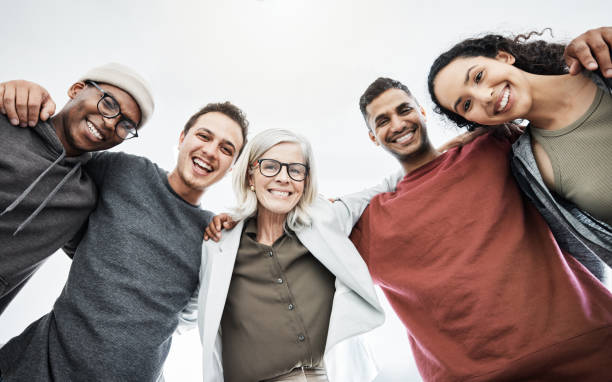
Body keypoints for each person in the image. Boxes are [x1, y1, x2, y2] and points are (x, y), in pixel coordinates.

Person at [350, 73, 612, 382]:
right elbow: (303, 229)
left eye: (404, 110)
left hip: (591, 352)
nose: (397, 124)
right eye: (382, 121)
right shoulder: (372, 223)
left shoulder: (490, 147)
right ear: (372, 137)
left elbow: (561, 115)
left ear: (421, 111)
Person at [0, 95, 248, 381]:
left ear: (231, 167)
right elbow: (59, 159)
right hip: (36, 368)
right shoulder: (124, 171)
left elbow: (191, 315)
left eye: (226, 149)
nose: (210, 151)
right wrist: (15, 95)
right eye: (204, 136)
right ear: (182, 138)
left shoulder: (214, 238)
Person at [186, 128, 403, 382]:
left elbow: (390, 185)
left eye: (296, 170)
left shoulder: (326, 220)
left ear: (306, 181)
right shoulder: (218, 242)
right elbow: (187, 309)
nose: (283, 178)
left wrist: (450, 148)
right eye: (270, 166)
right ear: (250, 176)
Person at [427, 29, 612, 278]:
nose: (484, 96)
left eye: (478, 76)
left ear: (503, 57)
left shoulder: (603, 62)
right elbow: (585, 266)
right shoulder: (532, 168)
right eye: (467, 105)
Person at [0, 63, 154, 315]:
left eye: (125, 125)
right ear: (76, 89)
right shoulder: (8, 118)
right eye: (109, 104)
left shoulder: (82, 199)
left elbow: (113, 262)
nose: (110, 123)